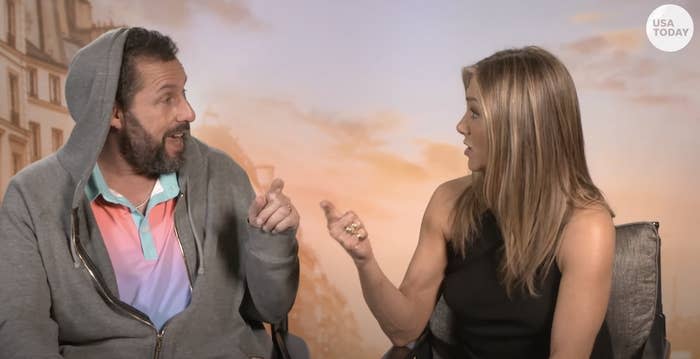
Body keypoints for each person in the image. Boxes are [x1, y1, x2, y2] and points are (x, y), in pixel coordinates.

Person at [0, 27, 300, 358]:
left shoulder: (222, 174)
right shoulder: (32, 196)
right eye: (166, 98)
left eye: (184, 93)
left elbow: (270, 310)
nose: (188, 112)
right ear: (113, 112)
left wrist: (273, 244)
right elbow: (21, 329)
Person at [321, 46, 615, 358]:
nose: (461, 126)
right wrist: (365, 261)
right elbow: (403, 329)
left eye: (474, 112)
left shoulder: (587, 225)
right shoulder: (448, 201)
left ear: (516, 128)